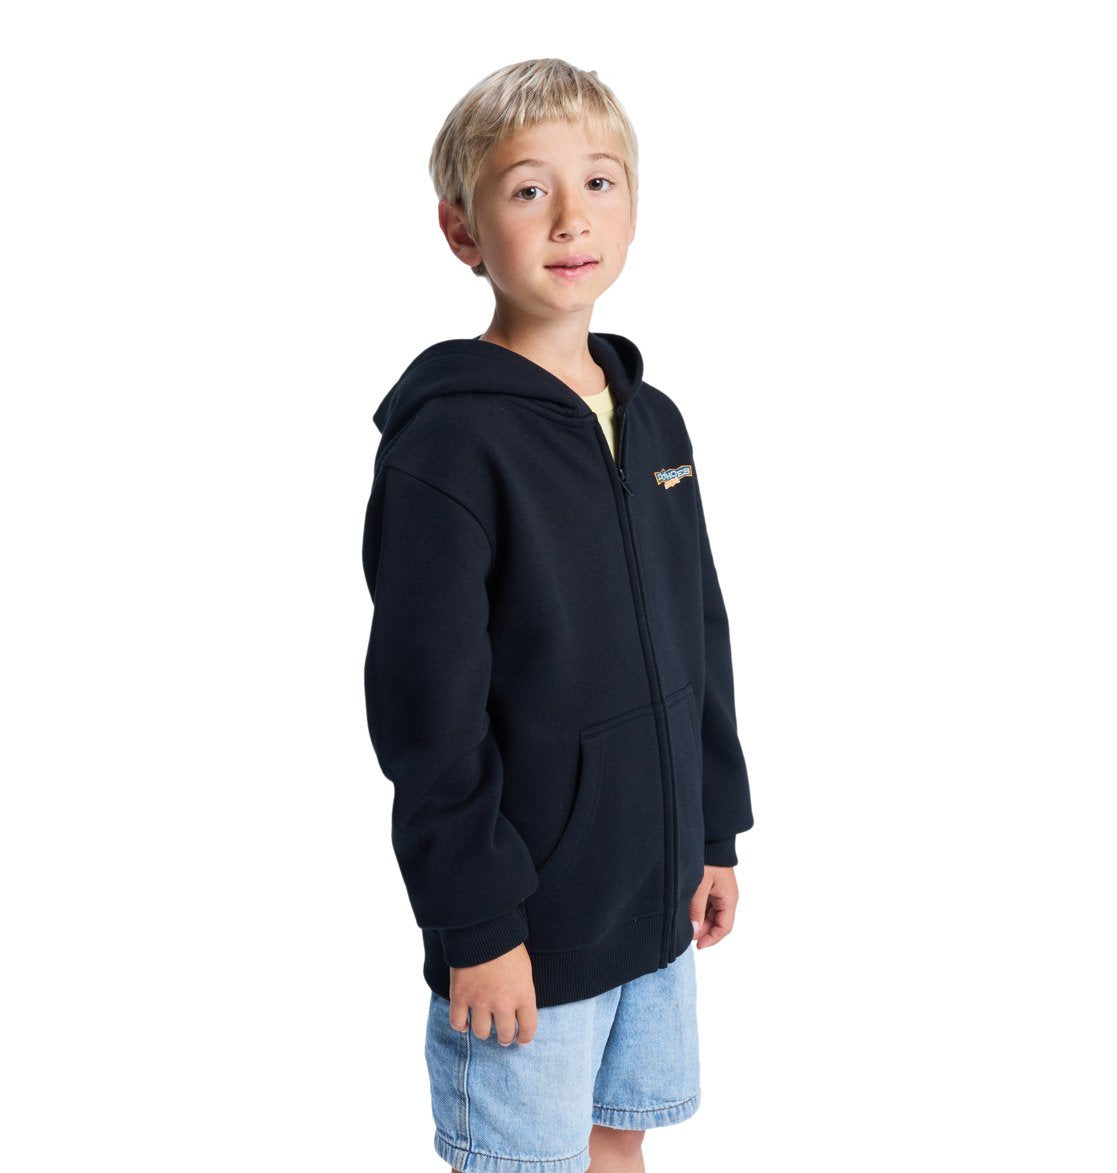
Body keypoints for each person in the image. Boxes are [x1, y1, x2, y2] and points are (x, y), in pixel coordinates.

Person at [361, 57, 755, 1173]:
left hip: (653, 894)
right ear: (462, 230)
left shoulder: (654, 420)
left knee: (618, 1138)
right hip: (525, 920)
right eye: (529, 189)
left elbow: (698, 631)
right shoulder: (450, 445)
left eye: (599, 182)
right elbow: (427, 714)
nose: (571, 217)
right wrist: (475, 922)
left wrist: (712, 832)